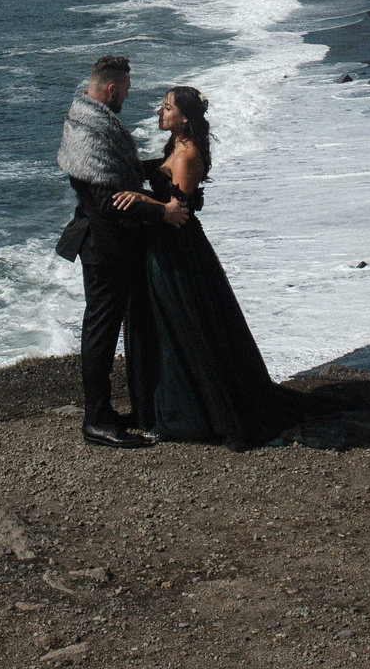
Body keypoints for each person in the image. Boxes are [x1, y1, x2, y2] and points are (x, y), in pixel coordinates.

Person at [116, 85, 330, 450]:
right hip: (171, 247)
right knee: (173, 326)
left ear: (184, 117)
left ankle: (186, 415)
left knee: (178, 327)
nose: (160, 112)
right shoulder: (176, 147)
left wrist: (140, 197)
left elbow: (178, 211)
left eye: (167, 108)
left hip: (176, 249)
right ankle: (169, 409)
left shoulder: (185, 156)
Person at [56, 54, 187, 449]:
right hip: (103, 248)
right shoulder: (90, 132)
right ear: (111, 88)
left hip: (106, 242)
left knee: (108, 328)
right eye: (126, 90)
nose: (127, 97)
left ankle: (112, 410)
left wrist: (161, 166)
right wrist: (162, 211)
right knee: (101, 331)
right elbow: (109, 200)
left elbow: (119, 172)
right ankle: (95, 420)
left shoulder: (90, 121)